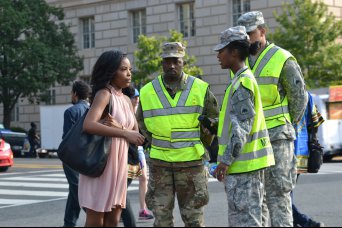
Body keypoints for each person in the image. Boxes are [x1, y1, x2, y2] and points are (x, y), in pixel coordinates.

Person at [136, 42, 219, 227]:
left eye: (176, 61)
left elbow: (213, 122)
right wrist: (156, 143)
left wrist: (201, 143)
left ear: (183, 62)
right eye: (167, 61)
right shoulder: (147, 91)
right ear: (162, 63)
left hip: (191, 164)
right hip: (160, 165)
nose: (172, 65)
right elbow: (141, 123)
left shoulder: (200, 88)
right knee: (162, 220)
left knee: (194, 220)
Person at [237, 11, 308, 226]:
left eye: (251, 34)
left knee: (279, 197)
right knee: (258, 198)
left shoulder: (282, 58)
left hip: (278, 138)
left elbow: (299, 98)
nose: (247, 40)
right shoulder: (239, 63)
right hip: (252, 140)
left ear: (262, 32)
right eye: (244, 36)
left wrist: (287, 125)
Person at [213, 26, 275, 227]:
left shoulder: (242, 83)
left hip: (243, 167)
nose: (218, 55)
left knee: (246, 222)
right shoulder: (239, 80)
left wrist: (225, 161)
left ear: (235, 52)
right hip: (246, 166)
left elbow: (242, 127)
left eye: (221, 50)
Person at [79, 50, 145, 227]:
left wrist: (121, 128)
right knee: (96, 221)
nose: (129, 73)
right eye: (124, 69)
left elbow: (136, 134)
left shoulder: (125, 98)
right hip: (101, 163)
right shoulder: (104, 94)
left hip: (119, 166)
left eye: (130, 69)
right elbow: (89, 124)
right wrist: (124, 132)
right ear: (110, 71)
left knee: (114, 221)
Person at [292, 92, 325, 227]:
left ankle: (306, 222)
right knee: (286, 193)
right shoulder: (307, 95)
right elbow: (315, 123)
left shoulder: (280, 93)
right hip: (302, 152)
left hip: (286, 152)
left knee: (281, 196)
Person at [61, 80, 91, 227]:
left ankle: (96, 216)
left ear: (75, 94)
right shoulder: (92, 109)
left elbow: (67, 139)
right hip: (89, 157)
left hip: (73, 159)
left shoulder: (70, 112)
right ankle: (68, 223)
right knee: (74, 191)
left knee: (78, 190)